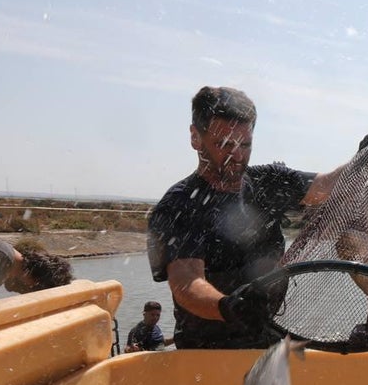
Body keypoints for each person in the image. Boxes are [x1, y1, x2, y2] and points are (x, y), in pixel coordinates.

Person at [147, 86, 352, 349]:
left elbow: (325, 186)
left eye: (245, 144)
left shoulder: (267, 183)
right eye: (224, 144)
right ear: (195, 137)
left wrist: (367, 155)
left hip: (266, 338)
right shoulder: (179, 205)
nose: (237, 155)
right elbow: (187, 283)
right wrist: (227, 306)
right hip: (205, 352)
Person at [0, 232, 73, 301]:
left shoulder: (5, 262)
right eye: (32, 291)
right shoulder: (0, 259)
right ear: (36, 281)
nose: (22, 294)